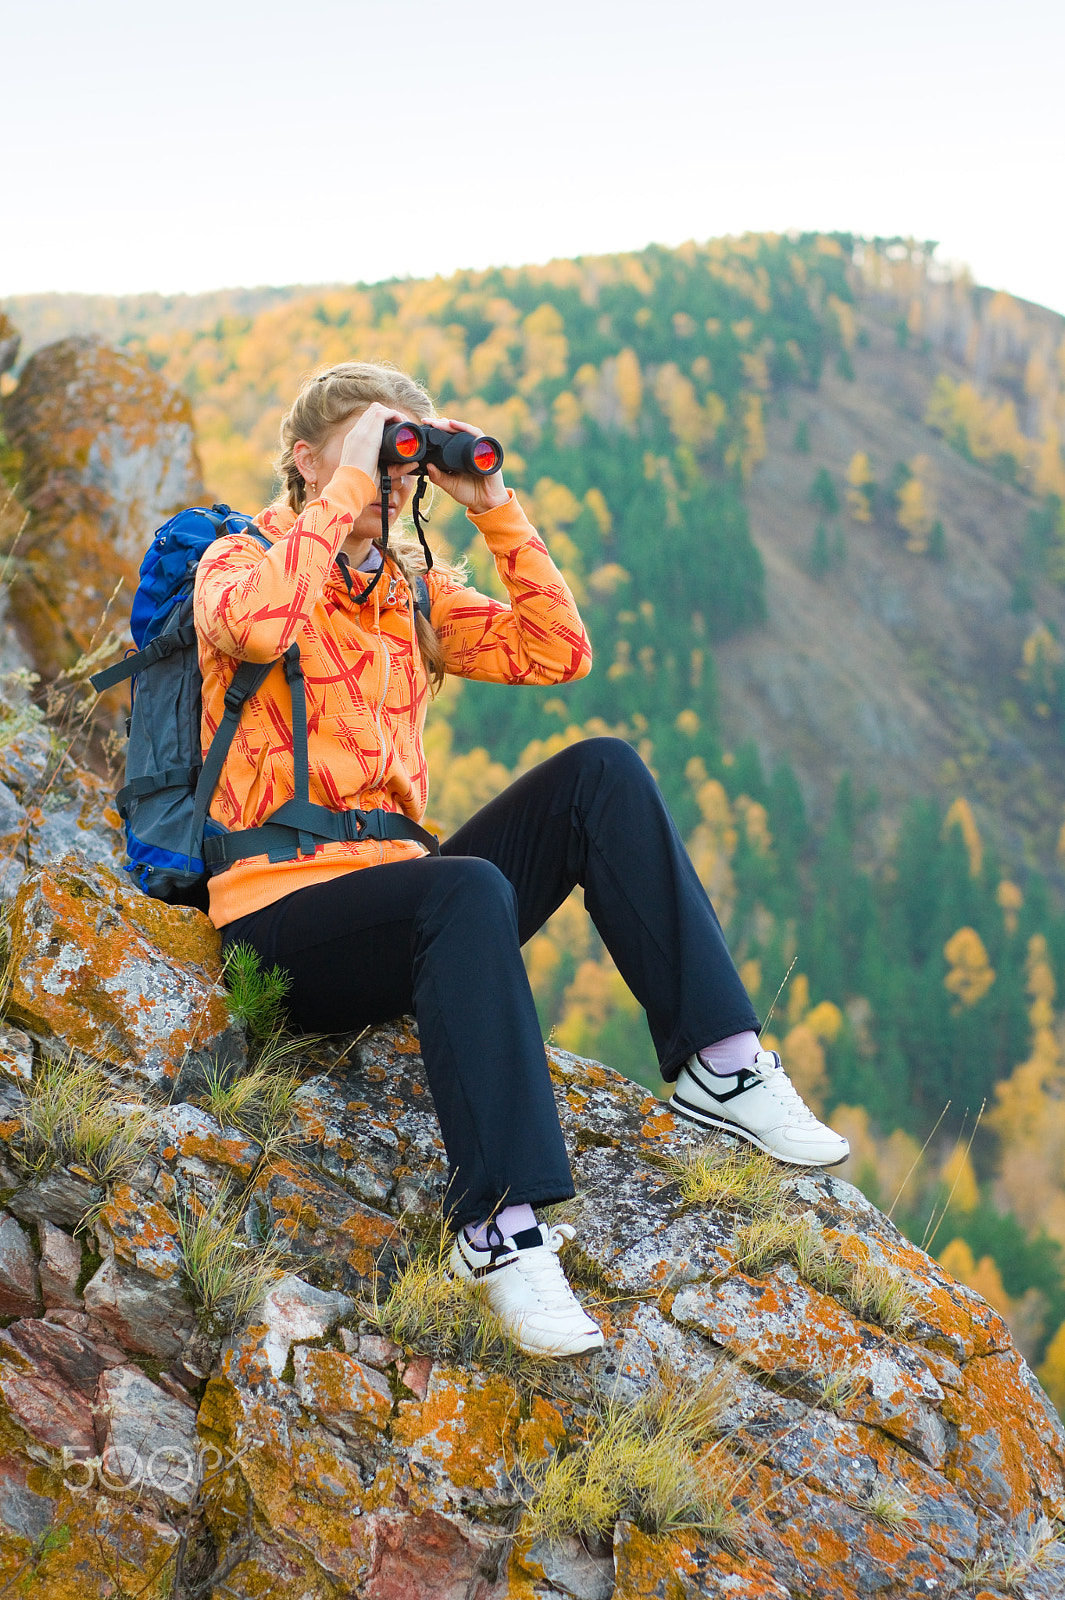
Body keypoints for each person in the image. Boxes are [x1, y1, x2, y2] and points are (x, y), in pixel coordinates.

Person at [192, 361, 849, 1359]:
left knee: (604, 777)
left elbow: (557, 649)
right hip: (276, 930)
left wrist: (492, 505)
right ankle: (499, 1227)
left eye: (404, 452)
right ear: (305, 458)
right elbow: (256, 626)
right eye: (378, 447)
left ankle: (721, 1062)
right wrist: (342, 495)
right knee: (466, 890)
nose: (394, 475)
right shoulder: (238, 559)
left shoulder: (411, 592)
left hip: (401, 907)